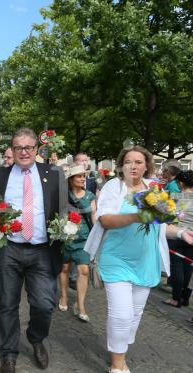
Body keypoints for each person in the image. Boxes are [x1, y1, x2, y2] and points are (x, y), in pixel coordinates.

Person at [84, 146, 193, 373]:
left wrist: (181, 233)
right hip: (117, 259)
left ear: (147, 166)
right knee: (121, 314)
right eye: (128, 162)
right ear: (121, 165)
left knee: (134, 314)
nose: (133, 166)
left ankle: (120, 351)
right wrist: (136, 216)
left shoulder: (154, 189)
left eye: (139, 162)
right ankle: (116, 365)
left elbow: (162, 224)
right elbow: (104, 220)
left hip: (146, 261)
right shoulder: (114, 187)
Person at [0, 128, 65, 373]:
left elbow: (63, 210)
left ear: (37, 149)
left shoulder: (54, 174)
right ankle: (9, 353)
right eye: (18, 148)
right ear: (12, 150)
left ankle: (36, 337)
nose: (23, 152)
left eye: (28, 147)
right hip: (9, 249)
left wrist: (66, 231)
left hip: (43, 251)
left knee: (45, 304)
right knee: (7, 303)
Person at [58, 164, 96, 322]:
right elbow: (58, 214)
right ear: (71, 179)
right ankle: (64, 297)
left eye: (83, 176)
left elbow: (94, 217)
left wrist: (97, 236)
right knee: (65, 269)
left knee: (84, 271)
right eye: (79, 176)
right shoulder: (63, 195)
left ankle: (80, 306)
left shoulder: (90, 196)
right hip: (66, 238)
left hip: (83, 239)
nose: (82, 179)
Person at [163, 170, 193, 307]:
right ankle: (185, 298)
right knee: (188, 267)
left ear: (180, 183)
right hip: (192, 237)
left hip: (176, 234)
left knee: (177, 266)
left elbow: (168, 214)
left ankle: (176, 299)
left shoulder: (176, 196)